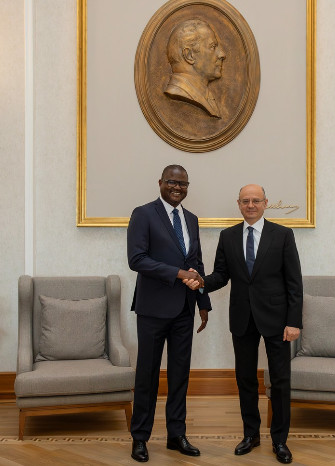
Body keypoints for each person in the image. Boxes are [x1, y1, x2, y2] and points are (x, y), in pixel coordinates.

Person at [185, 184, 303, 464]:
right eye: (245, 201)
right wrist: (200, 282)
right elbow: (221, 275)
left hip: (277, 319)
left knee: (280, 381)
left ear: (265, 203)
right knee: (245, 379)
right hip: (242, 318)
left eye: (256, 201)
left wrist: (293, 322)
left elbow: (294, 282)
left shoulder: (283, 235)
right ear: (238, 204)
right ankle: (251, 435)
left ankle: (280, 440)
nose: (251, 205)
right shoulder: (228, 236)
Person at [127, 165, 211, 463]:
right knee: (147, 376)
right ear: (161, 182)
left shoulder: (191, 219)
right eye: (172, 182)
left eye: (183, 184)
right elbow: (137, 259)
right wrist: (178, 274)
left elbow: (196, 264)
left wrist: (203, 303)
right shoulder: (143, 214)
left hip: (184, 310)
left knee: (179, 375)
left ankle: (176, 435)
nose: (178, 187)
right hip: (152, 309)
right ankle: (140, 438)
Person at [164, 18, 226, 118]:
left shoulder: (205, 94)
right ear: (189, 55)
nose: (222, 54)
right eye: (213, 46)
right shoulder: (180, 92)